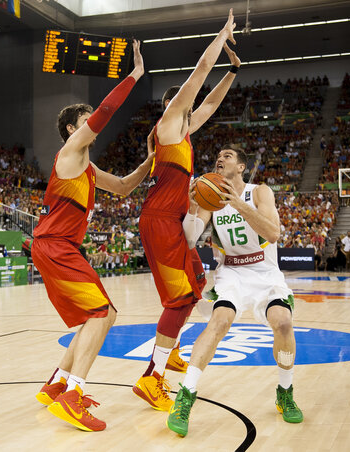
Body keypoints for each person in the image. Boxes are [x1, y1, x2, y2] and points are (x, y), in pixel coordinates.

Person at [32, 40, 154, 432]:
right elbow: (104, 111)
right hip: (56, 246)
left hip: (59, 247)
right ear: (73, 128)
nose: (94, 125)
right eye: (85, 120)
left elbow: (121, 187)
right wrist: (134, 75)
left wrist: (150, 162)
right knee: (101, 314)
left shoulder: (86, 166)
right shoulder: (70, 151)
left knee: (103, 314)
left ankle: (56, 385)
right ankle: (74, 395)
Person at [133, 9, 242, 411]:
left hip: (173, 220)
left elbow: (210, 101)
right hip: (160, 220)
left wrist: (234, 70)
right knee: (180, 299)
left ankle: (170, 351)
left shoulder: (184, 133)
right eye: (184, 103)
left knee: (195, 281)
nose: (192, 106)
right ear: (173, 106)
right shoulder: (167, 126)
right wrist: (221, 35)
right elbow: (199, 74)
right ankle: (151, 377)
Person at [167, 144, 303, 437]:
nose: (220, 159)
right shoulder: (209, 200)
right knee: (219, 322)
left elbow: (274, 233)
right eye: (217, 157)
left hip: (264, 271)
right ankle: (185, 396)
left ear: (241, 167)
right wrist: (192, 207)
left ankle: (285, 391)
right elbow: (190, 240)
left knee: (283, 322)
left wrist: (237, 203)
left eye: (227, 156)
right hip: (231, 271)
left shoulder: (258, 192)